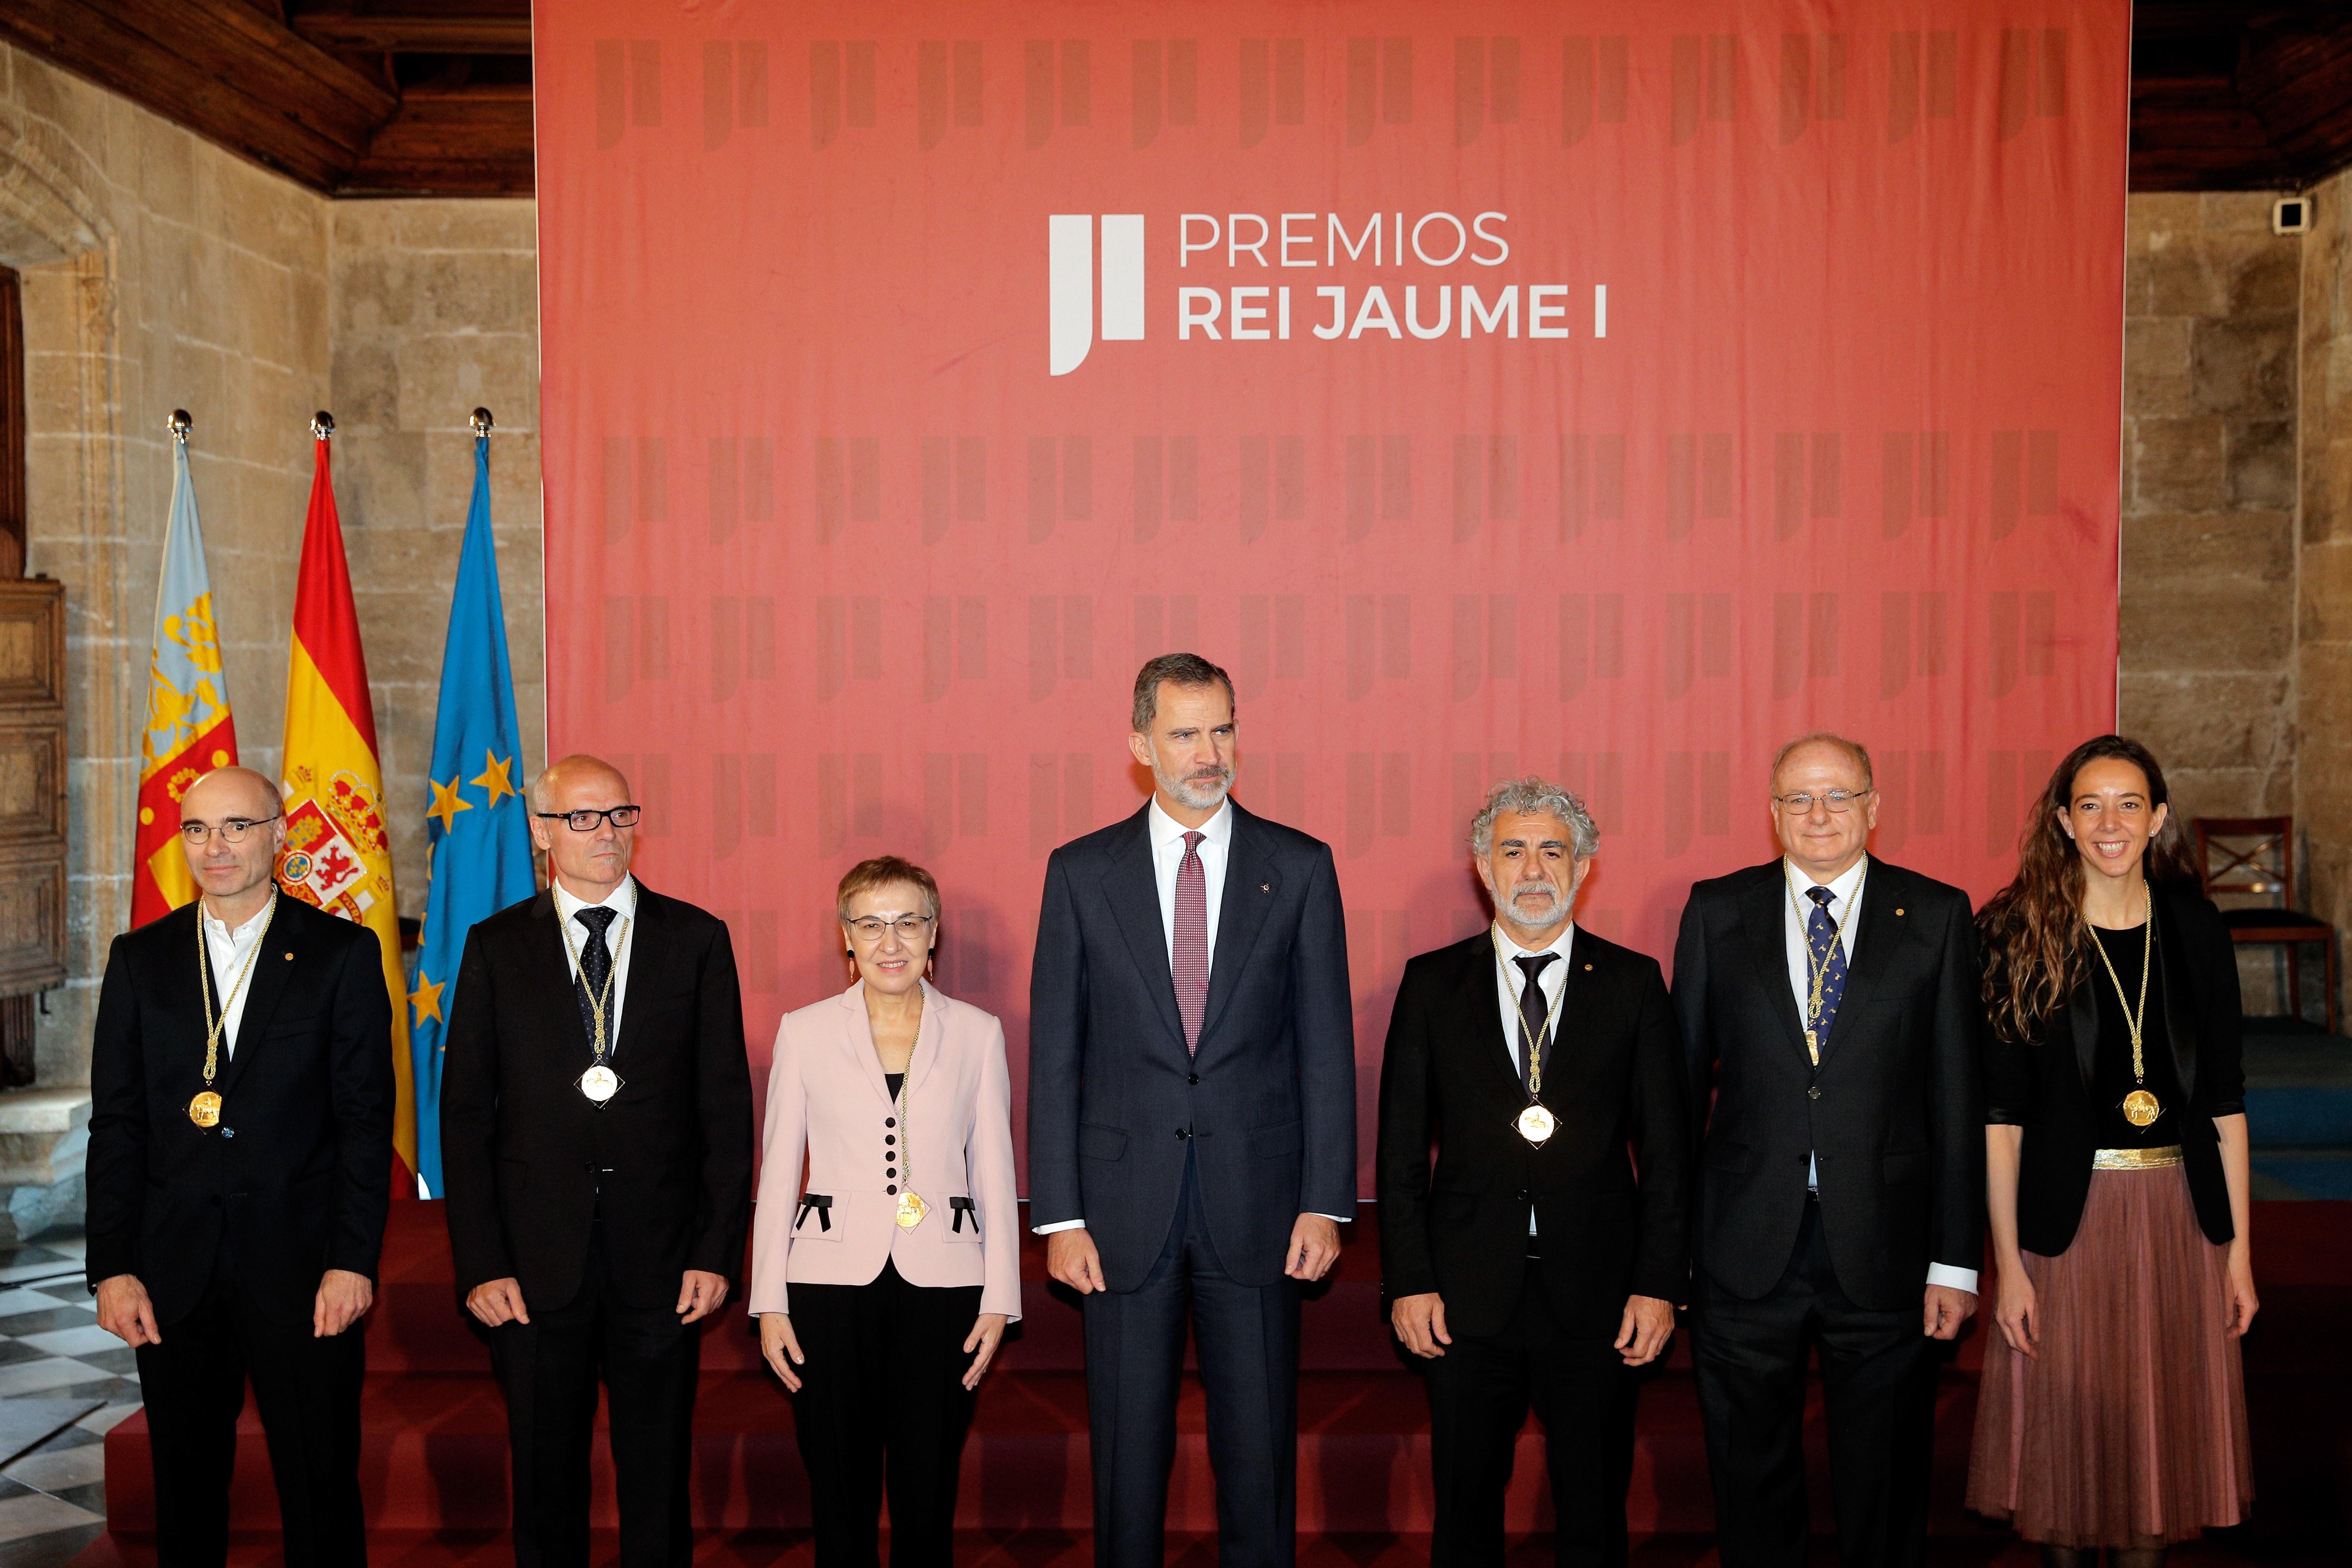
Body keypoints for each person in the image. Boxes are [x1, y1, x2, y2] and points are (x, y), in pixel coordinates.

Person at [1027, 652, 1356, 1568]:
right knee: (1127, 1465)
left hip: (1260, 1208)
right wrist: (1058, 1214)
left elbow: (1325, 1046)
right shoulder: (1080, 872)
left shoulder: (1299, 866)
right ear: (1140, 744)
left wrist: (1326, 1203)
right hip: (1120, 1214)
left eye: (1222, 729)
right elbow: (1055, 1055)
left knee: (1258, 1460)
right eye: (1184, 733)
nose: (1209, 752)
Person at [1674, 732, 1983, 1568]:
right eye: (1799, 799)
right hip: (1743, 1245)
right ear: (1773, 813)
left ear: (1873, 809)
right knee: (1749, 1478)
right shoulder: (1715, 910)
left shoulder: (1938, 916)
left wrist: (1956, 1263)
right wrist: (1668, 1257)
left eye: (1838, 797)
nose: (1818, 815)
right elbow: (1673, 1099)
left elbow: (1960, 1101)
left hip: (1885, 1246)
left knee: (1883, 1484)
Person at [440, 754, 755, 1568]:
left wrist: (715, 1252)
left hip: (661, 1262)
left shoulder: (696, 939)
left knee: (658, 1475)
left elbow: (725, 1110)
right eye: (582, 818)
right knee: (545, 1481)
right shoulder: (495, 947)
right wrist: (480, 1263)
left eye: (620, 815)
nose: (606, 834)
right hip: (535, 1267)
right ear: (543, 832)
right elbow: (466, 1117)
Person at [86, 765, 395, 1567]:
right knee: (184, 1494)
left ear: (279, 836)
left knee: (320, 1483)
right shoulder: (140, 959)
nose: (215, 847)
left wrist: (352, 1261)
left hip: (302, 1268)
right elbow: (116, 1125)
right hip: (173, 1269)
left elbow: (366, 1126)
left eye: (236, 827)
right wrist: (112, 1269)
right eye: (197, 830)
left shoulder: (341, 955)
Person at [1377, 778, 1690, 1568]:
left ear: (1584, 867)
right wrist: (1408, 1280)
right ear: (1483, 869)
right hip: (1463, 1295)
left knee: (1593, 1511)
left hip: (1599, 1298)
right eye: (1512, 851)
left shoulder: (1634, 984)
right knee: (1466, 1510)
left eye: (1554, 850)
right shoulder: (1431, 984)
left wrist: (1658, 1284)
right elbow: (1401, 1150)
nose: (1533, 869)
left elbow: (1668, 1154)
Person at [1966, 736, 2255, 1565]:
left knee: (2155, 1476)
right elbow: (2001, 1119)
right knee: (2065, 1471)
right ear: (2063, 821)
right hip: (2066, 1223)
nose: (2110, 822)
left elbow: (2227, 1105)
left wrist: (2239, 1257)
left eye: (2130, 803)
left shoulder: (2198, 931)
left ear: (2159, 817)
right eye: (2088, 805)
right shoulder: (2018, 931)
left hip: (2181, 1221)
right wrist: (2009, 1267)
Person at [749, 855, 1021, 1566]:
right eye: (871, 924)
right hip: (827, 1287)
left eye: (908, 922)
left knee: (927, 1493)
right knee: (838, 1494)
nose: (890, 942)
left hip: (946, 1287)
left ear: (935, 935)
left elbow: (994, 1169)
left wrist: (1000, 1298)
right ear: (846, 936)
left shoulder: (978, 1032)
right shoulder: (803, 1031)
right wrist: (769, 1302)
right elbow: (779, 1172)